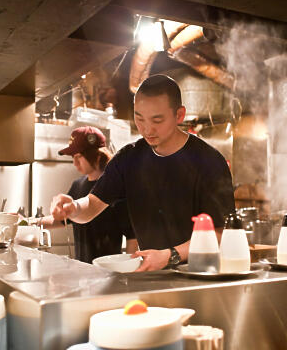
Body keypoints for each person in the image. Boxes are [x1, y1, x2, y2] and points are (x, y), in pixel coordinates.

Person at [51, 74, 235, 271]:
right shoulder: (129, 158)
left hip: (199, 276)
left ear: (179, 115)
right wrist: (74, 207)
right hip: (151, 275)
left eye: (157, 120)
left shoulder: (208, 161)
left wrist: (169, 256)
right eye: (139, 118)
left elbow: (220, 234)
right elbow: (93, 204)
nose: (147, 129)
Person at [39, 126, 138, 263]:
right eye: (73, 157)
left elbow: (132, 237)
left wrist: (129, 271)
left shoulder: (113, 189)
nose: (75, 163)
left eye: (79, 157)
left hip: (107, 270)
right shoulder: (77, 184)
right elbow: (63, 220)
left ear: (97, 156)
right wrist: (30, 222)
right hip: (82, 267)